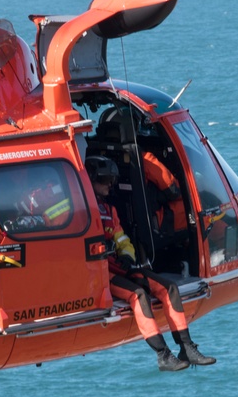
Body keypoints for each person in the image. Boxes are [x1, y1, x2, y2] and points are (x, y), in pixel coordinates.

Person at [85, 155, 216, 371]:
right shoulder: (84, 213)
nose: (111, 184)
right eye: (105, 179)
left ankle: (186, 347)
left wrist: (127, 256)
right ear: (92, 179)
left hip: (120, 266)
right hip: (102, 273)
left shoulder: (109, 211)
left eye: (112, 179)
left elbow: (121, 238)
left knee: (169, 288)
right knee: (138, 295)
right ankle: (163, 355)